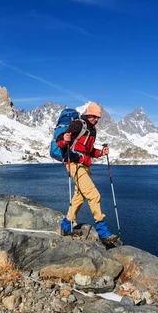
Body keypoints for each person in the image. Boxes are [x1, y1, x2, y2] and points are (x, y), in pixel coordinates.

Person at [55, 104, 120, 245]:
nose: (95, 119)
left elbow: (89, 151)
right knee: (94, 195)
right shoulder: (78, 124)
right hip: (74, 164)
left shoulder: (93, 131)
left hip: (84, 166)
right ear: (88, 114)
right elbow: (61, 138)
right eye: (93, 116)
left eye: (97, 117)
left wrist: (101, 153)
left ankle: (66, 226)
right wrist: (64, 139)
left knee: (79, 196)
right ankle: (103, 231)